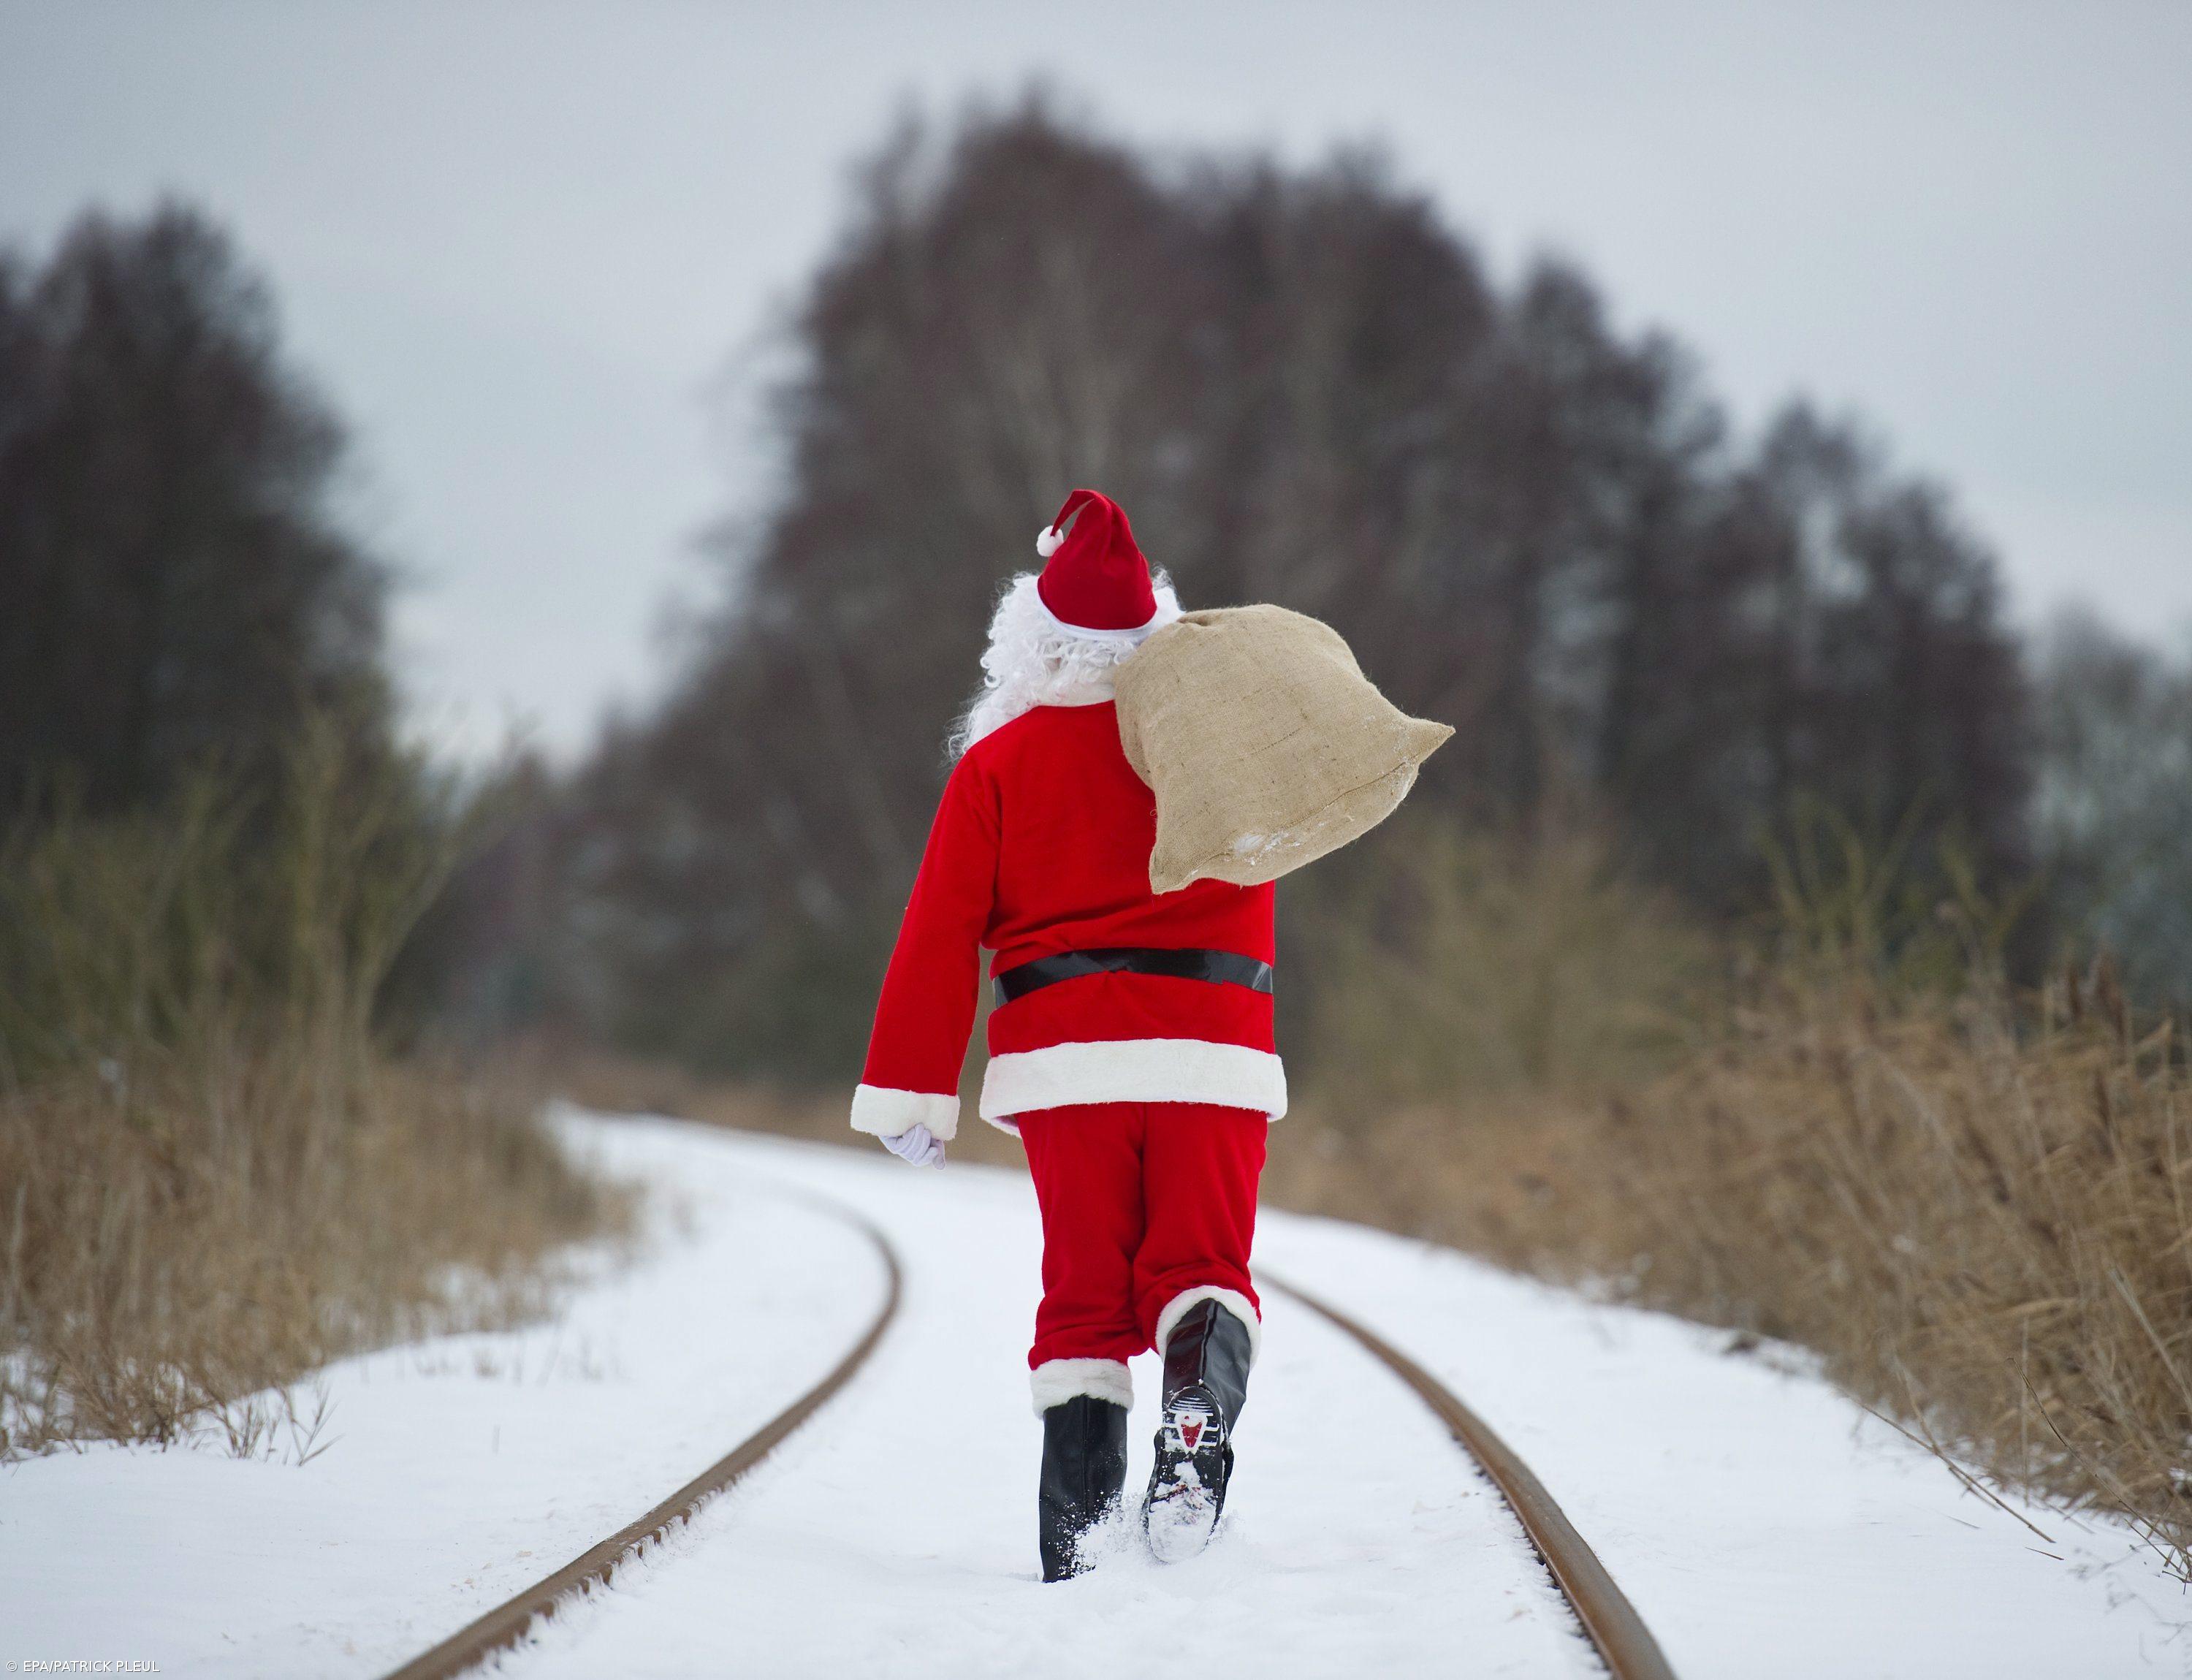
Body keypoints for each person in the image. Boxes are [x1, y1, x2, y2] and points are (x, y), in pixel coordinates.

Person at [850, 488, 1282, 1581]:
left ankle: (1081, 1546)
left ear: (1030, 647)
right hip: (1214, 1051)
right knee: (1202, 1264)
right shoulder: (1218, 754)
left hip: (1067, 1062)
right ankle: (1195, 1413)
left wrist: (914, 1093)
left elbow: (939, 933)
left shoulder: (997, 767)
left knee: (1085, 1294)